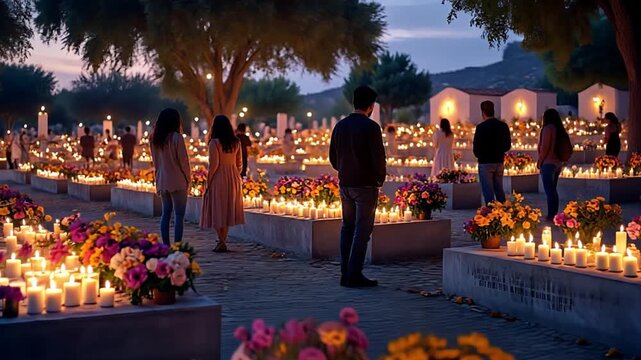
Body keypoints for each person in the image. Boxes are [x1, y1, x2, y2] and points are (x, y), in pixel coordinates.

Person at [329, 85, 386, 288]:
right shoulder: (371, 127)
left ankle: (345, 272)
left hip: (346, 183)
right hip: (365, 185)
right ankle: (355, 274)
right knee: (362, 231)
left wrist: (344, 169)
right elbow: (378, 157)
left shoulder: (340, 126)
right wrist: (379, 178)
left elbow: (333, 157)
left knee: (347, 227)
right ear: (370, 106)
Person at [200, 115, 244, 252]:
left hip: (218, 177)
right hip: (233, 177)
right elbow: (240, 164)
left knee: (217, 208)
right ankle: (222, 240)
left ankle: (221, 240)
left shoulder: (214, 143)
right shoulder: (236, 142)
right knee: (227, 209)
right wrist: (234, 173)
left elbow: (214, 165)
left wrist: (208, 183)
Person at [150, 108, 191, 246]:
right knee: (179, 215)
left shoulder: (154, 139)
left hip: (162, 179)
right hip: (178, 179)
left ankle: (166, 245)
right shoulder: (177, 138)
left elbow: (155, 162)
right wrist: (188, 179)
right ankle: (178, 245)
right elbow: (184, 161)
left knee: (165, 213)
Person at [473, 101, 511, 204]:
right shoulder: (503, 126)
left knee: (488, 193)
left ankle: (491, 215)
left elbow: (476, 148)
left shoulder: (481, 127)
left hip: (485, 163)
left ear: (483, 112)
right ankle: (503, 215)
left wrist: (481, 155)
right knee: (499, 190)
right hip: (499, 161)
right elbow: (507, 145)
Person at [537, 109, 568, 221]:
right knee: (553, 190)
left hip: (548, 163)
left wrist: (540, 161)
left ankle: (551, 215)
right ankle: (554, 214)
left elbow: (545, 148)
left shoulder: (547, 129)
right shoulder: (559, 129)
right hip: (557, 164)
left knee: (550, 191)